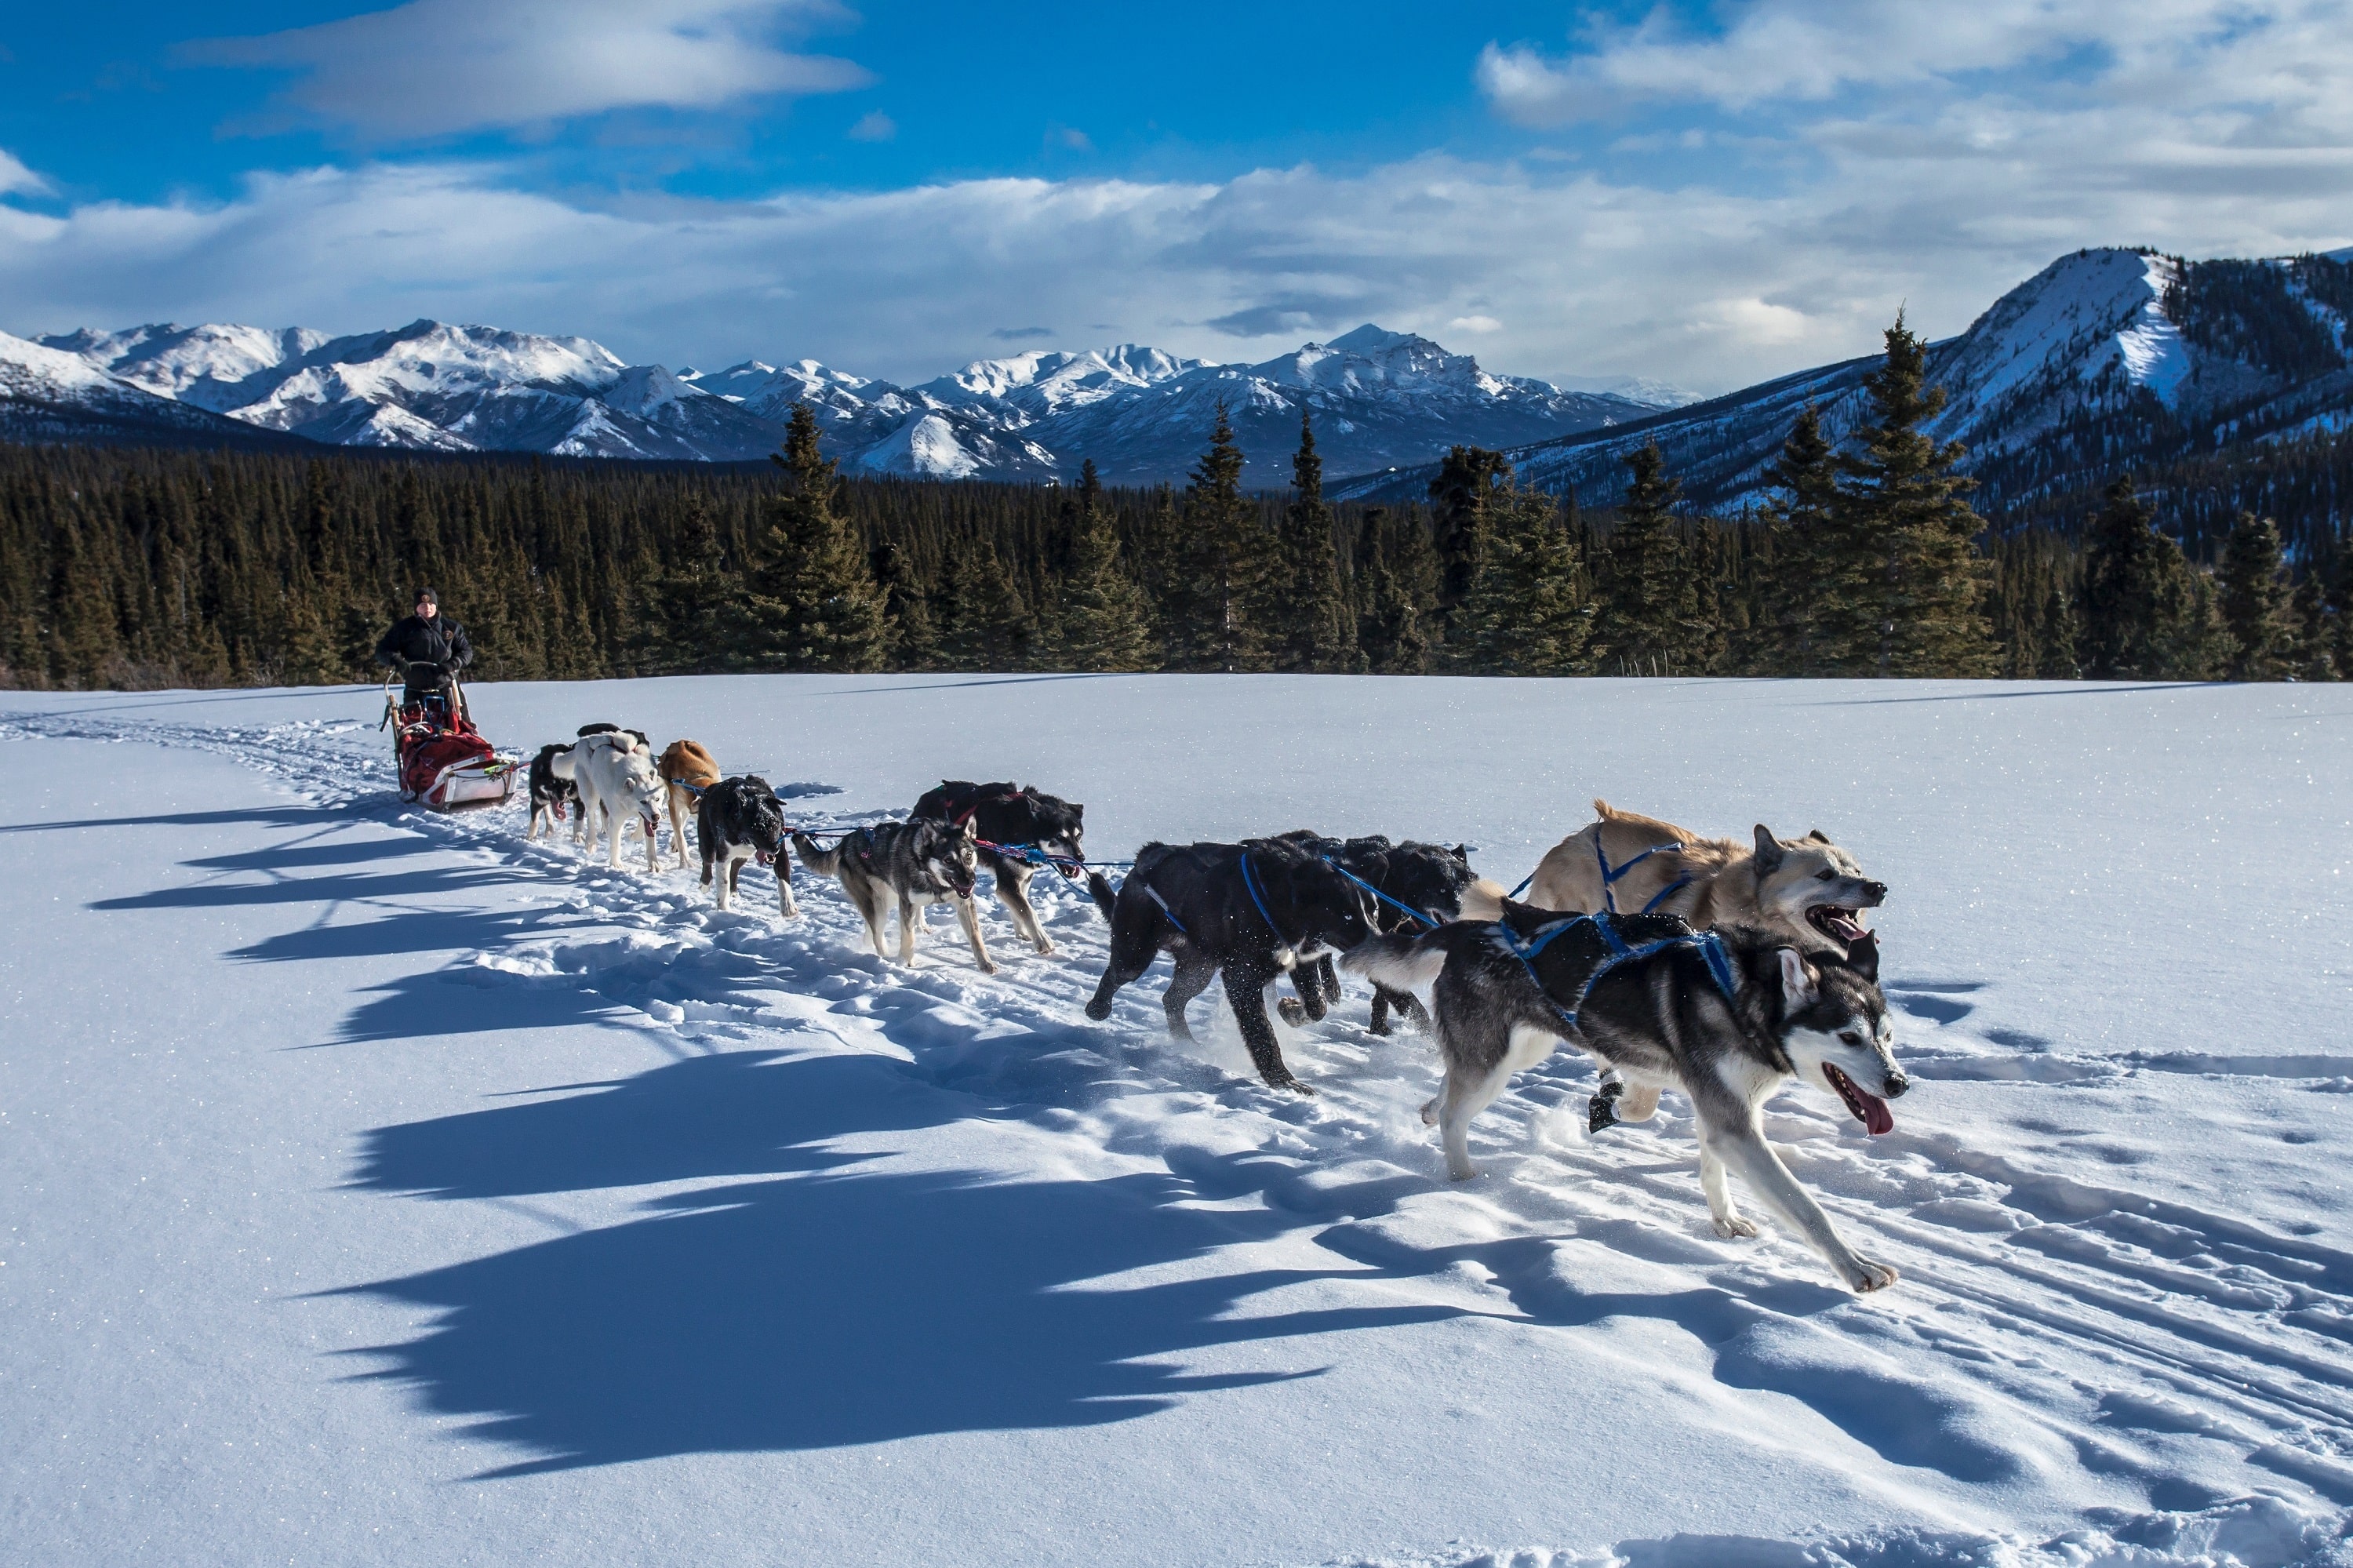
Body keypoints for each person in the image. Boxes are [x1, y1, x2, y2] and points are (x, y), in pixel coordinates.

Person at [375, 588, 474, 708]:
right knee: (414, 726)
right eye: (422, 605)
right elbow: (382, 650)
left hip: (447, 688)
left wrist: (453, 664)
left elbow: (466, 651)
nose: (427, 608)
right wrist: (396, 660)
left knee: (463, 726)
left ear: (436, 606)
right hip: (416, 690)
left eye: (431, 604)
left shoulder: (452, 627)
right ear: (416, 608)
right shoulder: (403, 628)